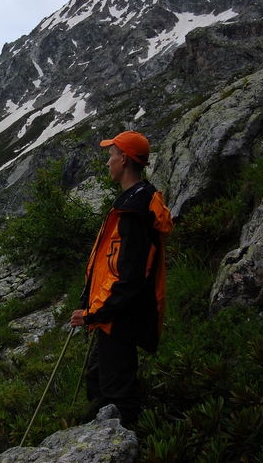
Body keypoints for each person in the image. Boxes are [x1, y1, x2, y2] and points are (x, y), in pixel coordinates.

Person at [70, 129, 172, 425]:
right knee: (98, 378)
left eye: (111, 155)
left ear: (124, 159)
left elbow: (129, 278)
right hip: (112, 314)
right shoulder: (136, 200)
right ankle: (101, 433)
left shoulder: (135, 211)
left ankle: (121, 442)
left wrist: (94, 314)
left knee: (117, 392)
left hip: (119, 318)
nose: (108, 163)